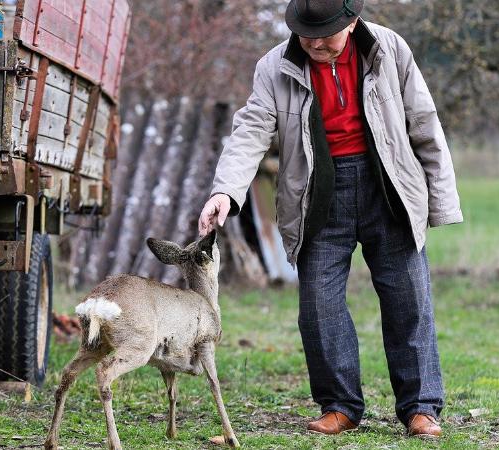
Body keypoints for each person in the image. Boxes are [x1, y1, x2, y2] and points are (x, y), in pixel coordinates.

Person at [198, 0, 462, 439]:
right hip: (317, 195)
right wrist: (226, 190)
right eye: (308, 34)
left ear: (353, 22)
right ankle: (339, 405)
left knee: (409, 302)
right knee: (318, 306)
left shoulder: (390, 49)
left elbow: (424, 123)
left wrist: (440, 201)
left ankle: (420, 409)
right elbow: (251, 130)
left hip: (388, 187)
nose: (317, 44)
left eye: (328, 35)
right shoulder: (274, 66)